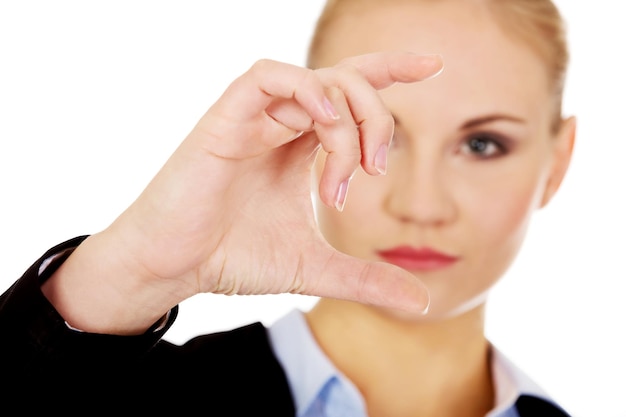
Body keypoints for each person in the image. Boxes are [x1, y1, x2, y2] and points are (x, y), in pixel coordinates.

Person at [0, 0, 576, 415]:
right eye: (374, 129)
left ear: (557, 162)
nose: (420, 204)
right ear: (310, 133)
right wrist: (133, 273)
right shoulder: (148, 400)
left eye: (482, 145)